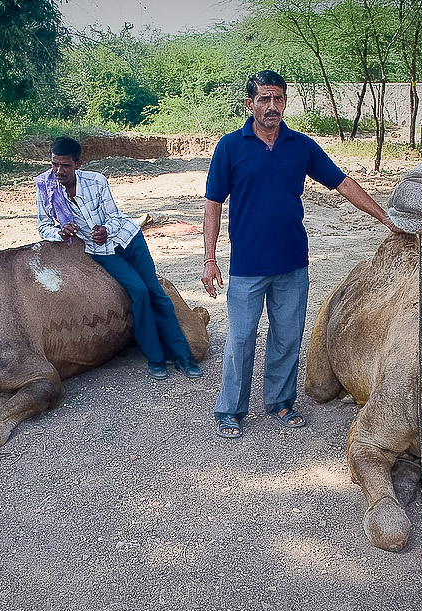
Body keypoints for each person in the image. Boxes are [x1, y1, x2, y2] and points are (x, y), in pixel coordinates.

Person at [201, 70, 396, 439]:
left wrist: (385, 217)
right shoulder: (230, 146)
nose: (271, 106)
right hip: (247, 265)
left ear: (285, 102)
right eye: (264, 99)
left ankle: (280, 402)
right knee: (241, 339)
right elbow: (213, 203)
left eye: (278, 99)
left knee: (287, 337)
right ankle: (230, 409)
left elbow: (342, 182)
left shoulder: (301, 146)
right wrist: (209, 259)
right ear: (250, 104)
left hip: (293, 263)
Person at [36, 136, 201, 381]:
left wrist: (106, 230)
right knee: (139, 292)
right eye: (54, 165)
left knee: (156, 292)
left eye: (65, 166)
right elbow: (43, 226)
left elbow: (114, 216)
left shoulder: (96, 181)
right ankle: (155, 359)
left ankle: (183, 356)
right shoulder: (46, 189)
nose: (59, 171)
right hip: (100, 251)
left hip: (128, 238)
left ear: (78, 164)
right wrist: (59, 233)